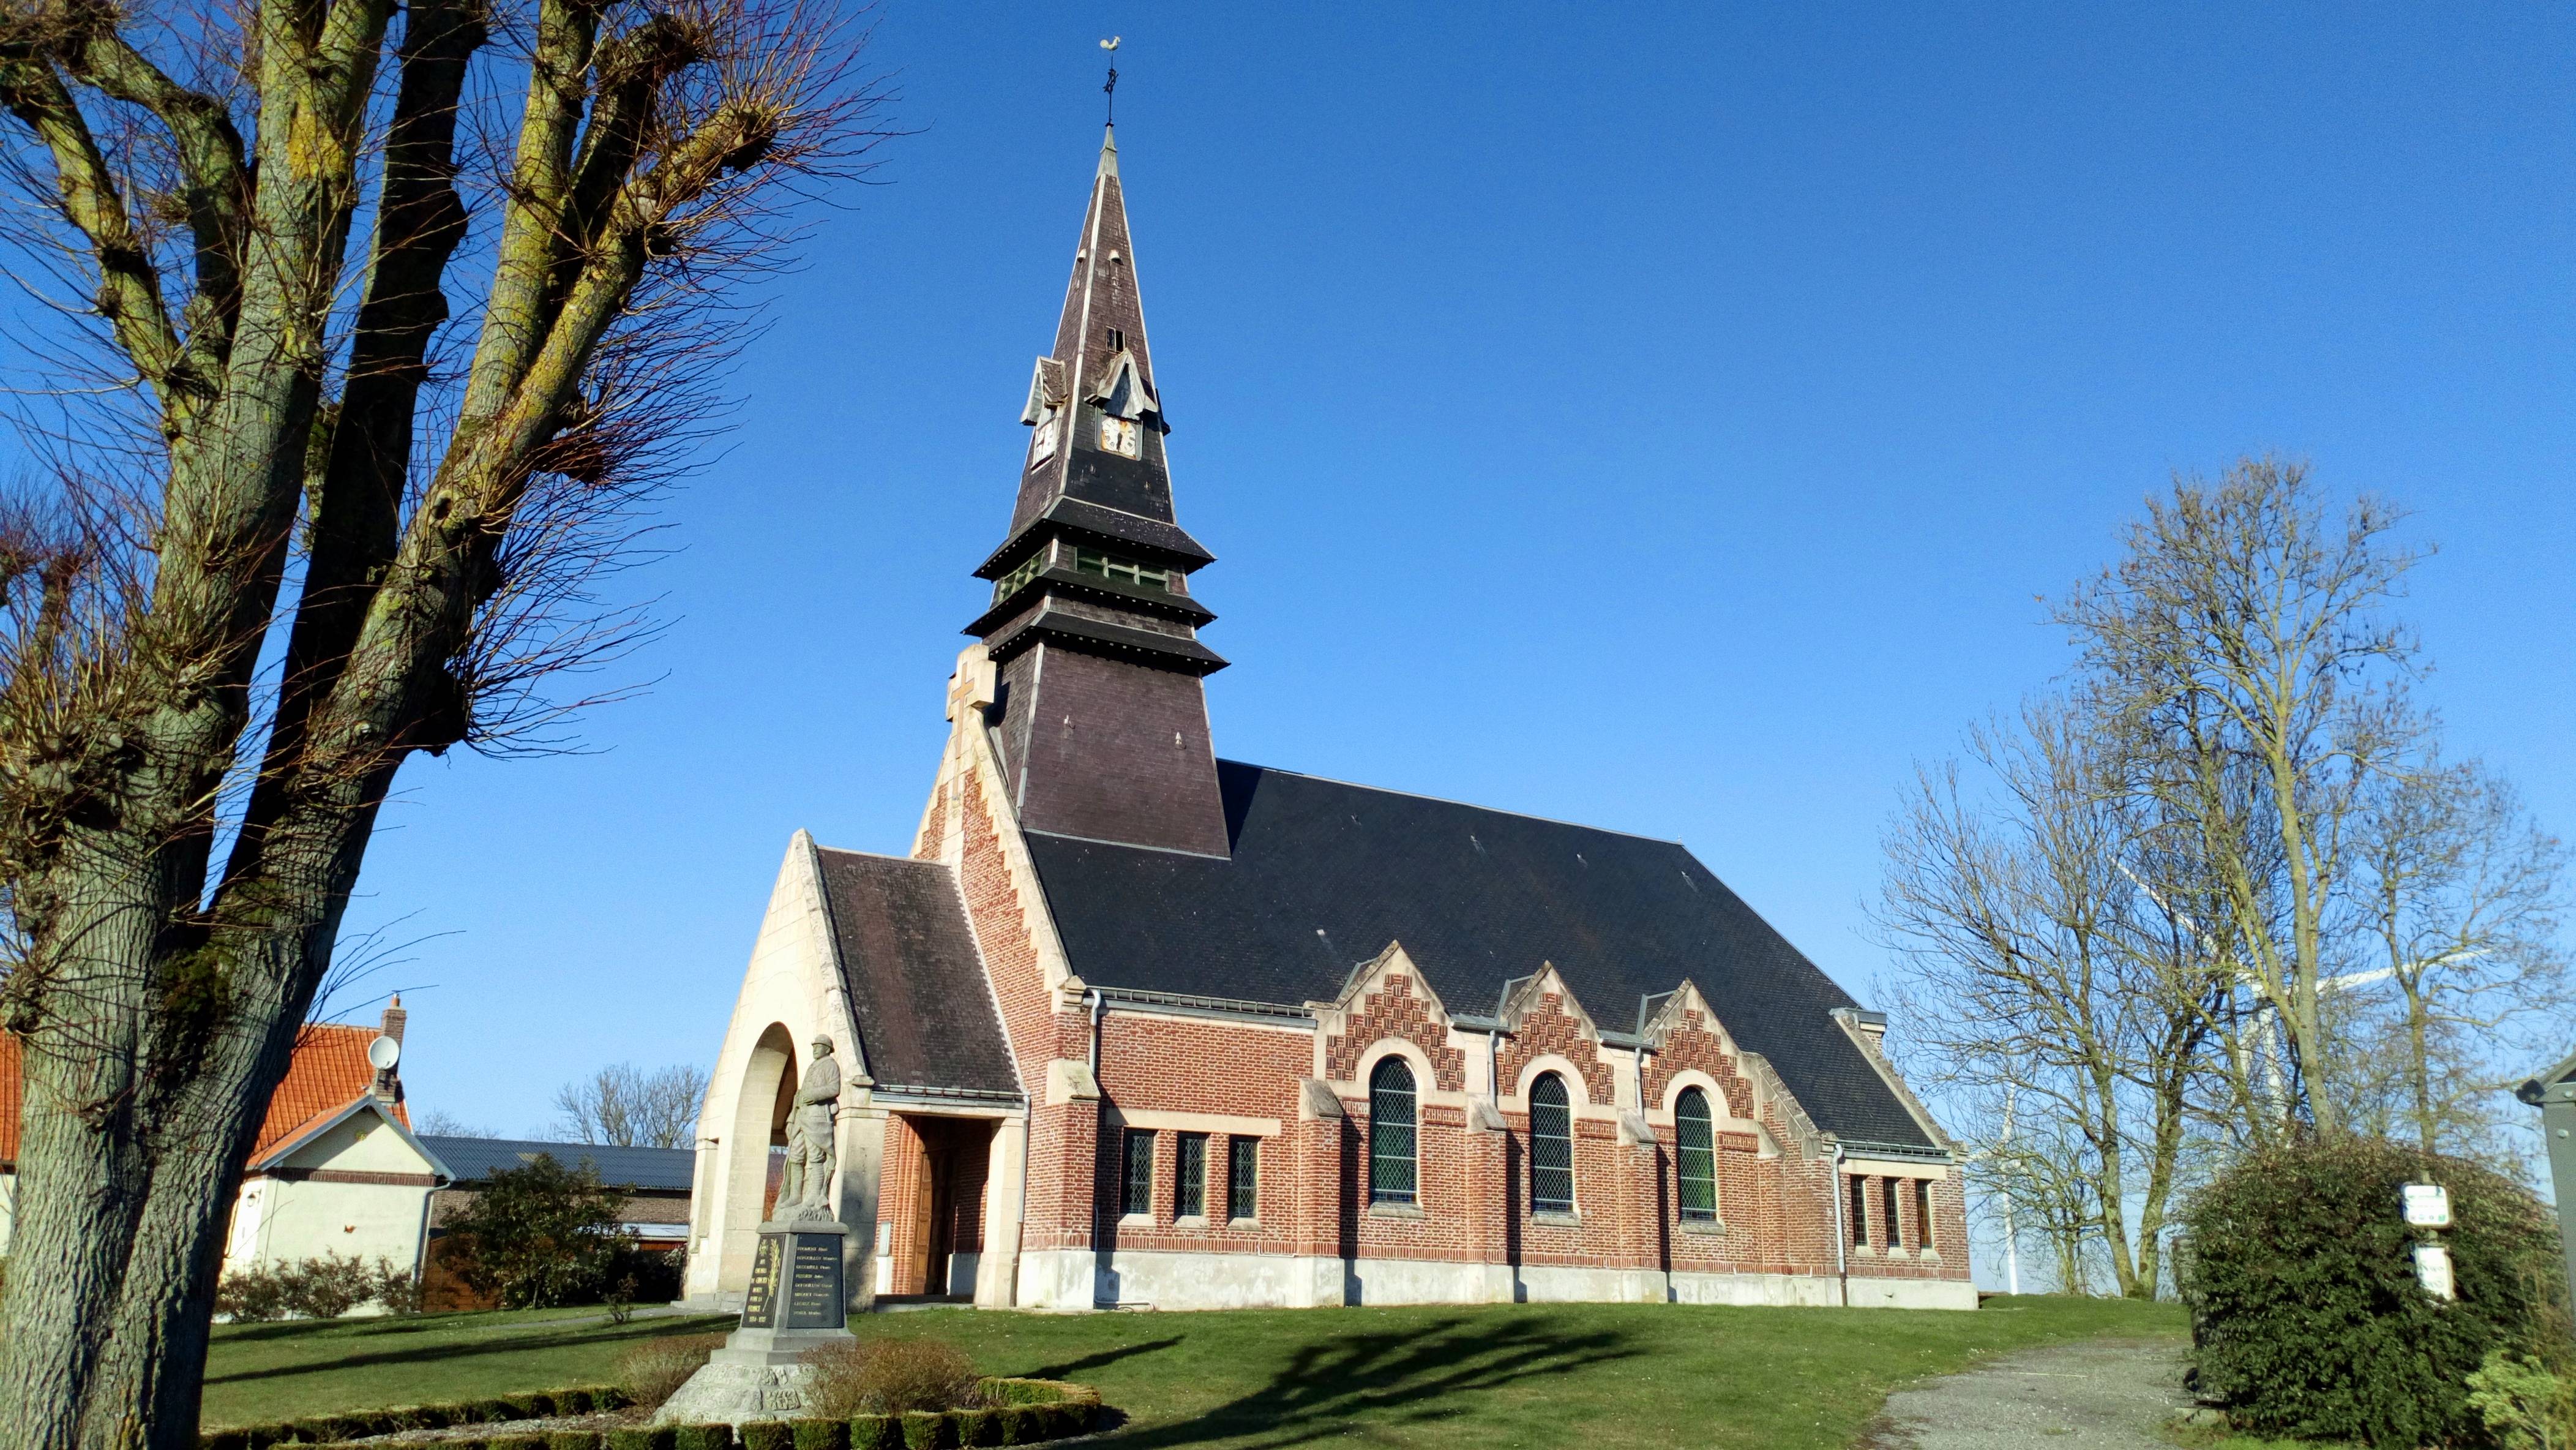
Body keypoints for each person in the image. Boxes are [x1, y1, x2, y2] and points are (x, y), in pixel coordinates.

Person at [775, 1035, 842, 1220]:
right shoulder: (812, 1066)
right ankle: (796, 1195)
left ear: (827, 1049)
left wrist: (813, 1096)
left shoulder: (830, 1065)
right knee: (795, 1157)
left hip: (817, 1118)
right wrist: (790, 1119)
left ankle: (813, 1195)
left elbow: (834, 1089)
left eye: (819, 1046)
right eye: (814, 1046)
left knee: (815, 1158)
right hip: (801, 1119)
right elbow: (799, 1096)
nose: (815, 1049)